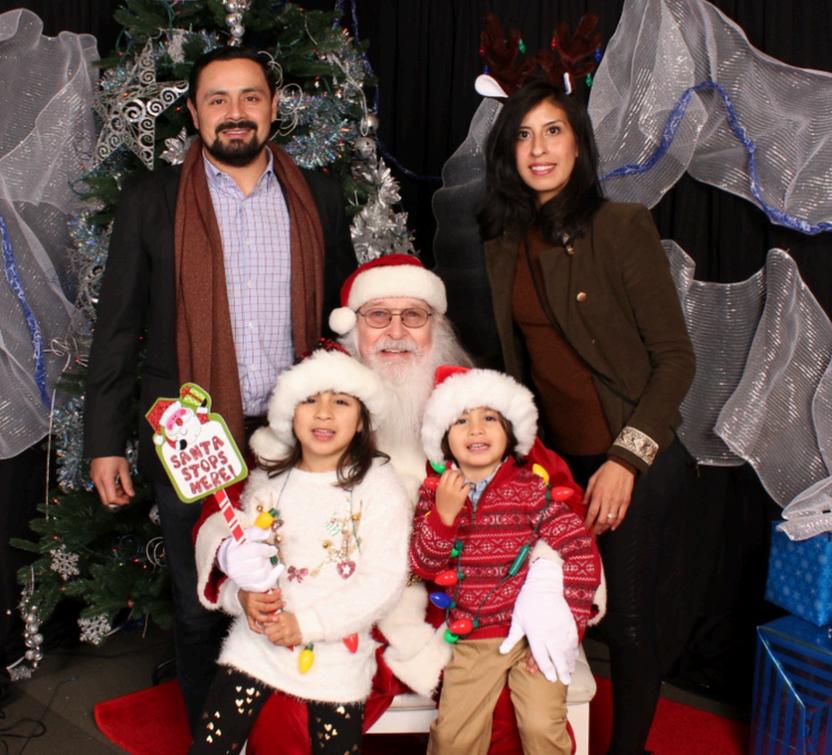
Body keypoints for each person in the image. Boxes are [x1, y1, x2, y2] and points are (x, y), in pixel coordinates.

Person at [83, 45, 354, 730]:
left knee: (302, 588)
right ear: (195, 113)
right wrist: (105, 442)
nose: (236, 113)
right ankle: (214, 739)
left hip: (300, 436)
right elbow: (117, 328)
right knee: (201, 599)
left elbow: (343, 318)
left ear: (273, 106)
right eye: (218, 100)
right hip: (191, 437)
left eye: (250, 97)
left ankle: (286, 731)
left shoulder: (317, 195)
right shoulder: (152, 201)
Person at [478, 78, 696, 754]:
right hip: (557, 462)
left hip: (631, 454)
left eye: (553, 131)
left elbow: (676, 360)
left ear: (578, 145)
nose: (538, 148)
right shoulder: (503, 240)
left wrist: (626, 460)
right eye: (523, 135)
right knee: (550, 603)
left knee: (625, 619)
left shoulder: (620, 225)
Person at [190, 344, 410, 754]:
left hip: (336, 655)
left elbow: (384, 579)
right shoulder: (267, 481)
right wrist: (241, 597)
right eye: (310, 400)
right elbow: (246, 563)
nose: (324, 413)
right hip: (256, 648)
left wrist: (307, 624)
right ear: (290, 413)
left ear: (362, 420)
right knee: (212, 745)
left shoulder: (379, 486)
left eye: (340, 402)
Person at [412, 365, 601, 755]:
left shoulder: (530, 489)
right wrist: (444, 517)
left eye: (489, 419)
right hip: (474, 638)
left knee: (540, 725)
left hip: (534, 634)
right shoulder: (435, 492)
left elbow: (579, 550)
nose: (475, 430)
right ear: (443, 437)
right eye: (461, 420)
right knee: (452, 738)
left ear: (510, 431)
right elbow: (424, 565)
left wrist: (567, 624)